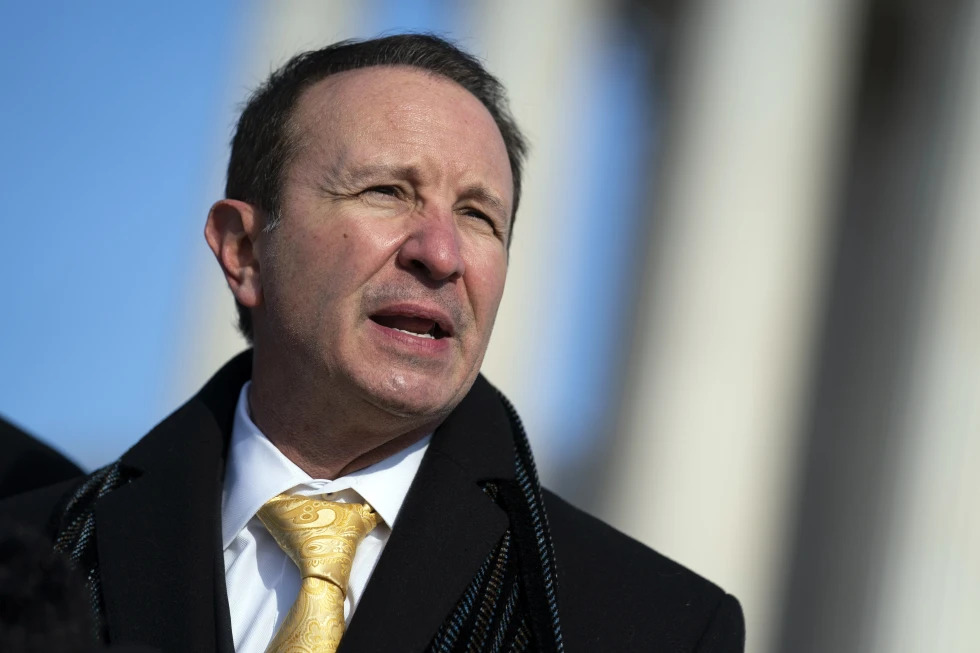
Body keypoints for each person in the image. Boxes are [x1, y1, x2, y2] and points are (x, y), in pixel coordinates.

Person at [1, 34, 744, 652]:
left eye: (480, 215)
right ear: (243, 251)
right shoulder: (40, 557)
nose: (442, 253)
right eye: (387, 191)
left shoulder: (647, 624)